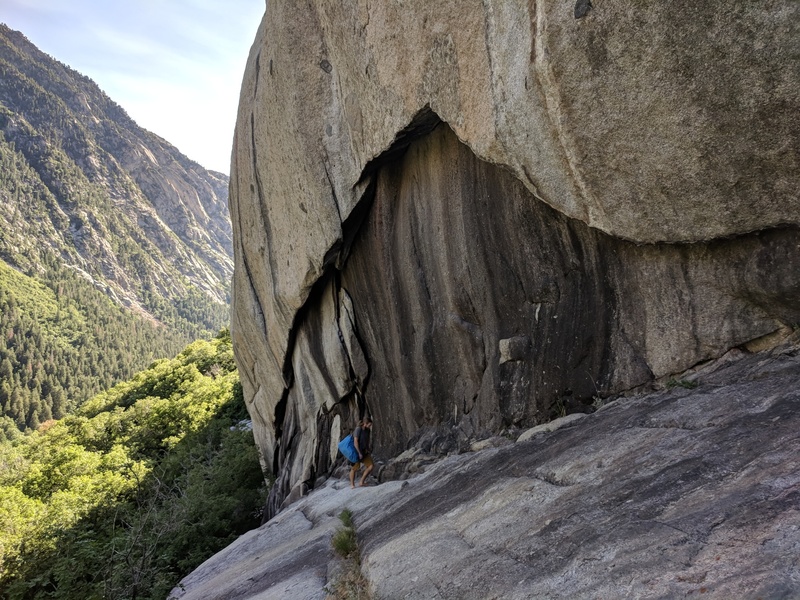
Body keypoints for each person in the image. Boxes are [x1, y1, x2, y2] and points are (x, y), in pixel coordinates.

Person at [349, 416, 374, 488]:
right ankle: (352, 484)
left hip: (364, 451)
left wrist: (368, 449)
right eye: (369, 425)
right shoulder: (358, 429)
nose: (370, 426)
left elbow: (367, 441)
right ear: (365, 423)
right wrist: (359, 453)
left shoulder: (368, 430)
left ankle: (361, 482)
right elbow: (355, 442)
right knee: (354, 468)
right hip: (356, 451)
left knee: (371, 466)